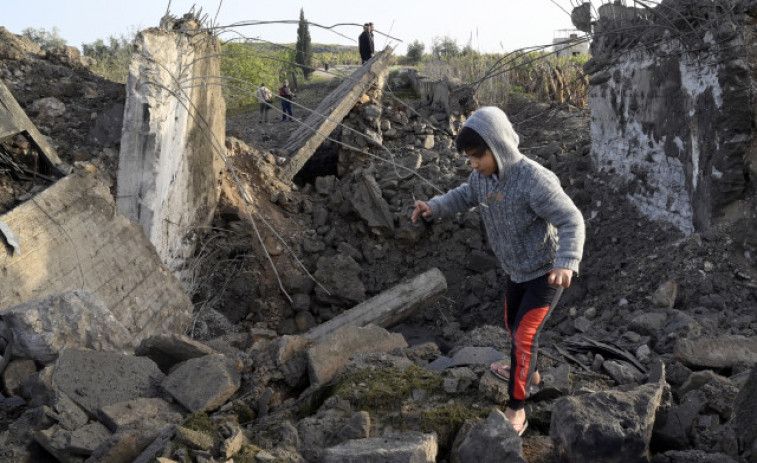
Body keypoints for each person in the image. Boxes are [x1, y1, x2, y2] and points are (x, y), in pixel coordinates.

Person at [411, 106, 585, 437]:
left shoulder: (534, 180)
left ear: (500, 145)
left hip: (546, 273)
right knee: (511, 324)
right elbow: (463, 196)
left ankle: (517, 409)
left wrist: (566, 260)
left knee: (524, 336)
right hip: (515, 270)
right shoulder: (481, 179)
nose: (473, 164)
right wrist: (433, 207)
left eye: (479, 156)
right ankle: (529, 372)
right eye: (469, 158)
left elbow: (571, 218)